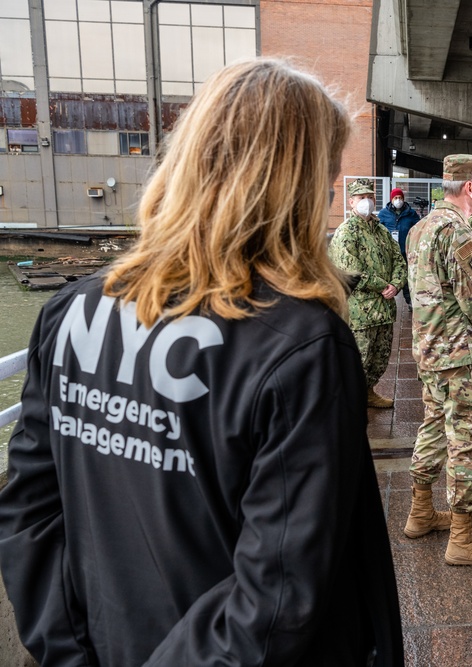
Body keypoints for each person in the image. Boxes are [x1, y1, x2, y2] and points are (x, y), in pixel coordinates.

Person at [0, 58, 403, 666]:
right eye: (325, 178)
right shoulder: (301, 346)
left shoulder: (73, 311)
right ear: (291, 184)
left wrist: (70, 652)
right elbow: (277, 598)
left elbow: (28, 514)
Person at [404, 153, 472, 568]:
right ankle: (463, 538)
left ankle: (420, 513)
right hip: (460, 358)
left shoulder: (420, 228)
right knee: (469, 439)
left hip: (430, 352)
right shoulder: (459, 234)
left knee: (434, 425)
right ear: (470, 186)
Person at [329, 178, 407, 408]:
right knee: (357, 359)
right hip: (360, 312)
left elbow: (399, 260)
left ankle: (367, 392)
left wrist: (396, 283)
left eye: (370, 197)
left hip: (383, 310)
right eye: (362, 198)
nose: (367, 201)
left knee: (379, 358)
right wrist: (382, 285)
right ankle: (348, 401)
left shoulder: (381, 230)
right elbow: (349, 269)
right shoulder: (346, 232)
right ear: (351, 202)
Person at [378, 187, 421, 306]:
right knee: (388, 275)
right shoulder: (383, 214)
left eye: (400, 198)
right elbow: (378, 230)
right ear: (391, 199)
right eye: (396, 198)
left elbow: (418, 230)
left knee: (408, 277)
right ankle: (386, 298)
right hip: (389, 251)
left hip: (406, 250)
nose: (398, 200)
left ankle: (411, 301)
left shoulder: (411, 214)